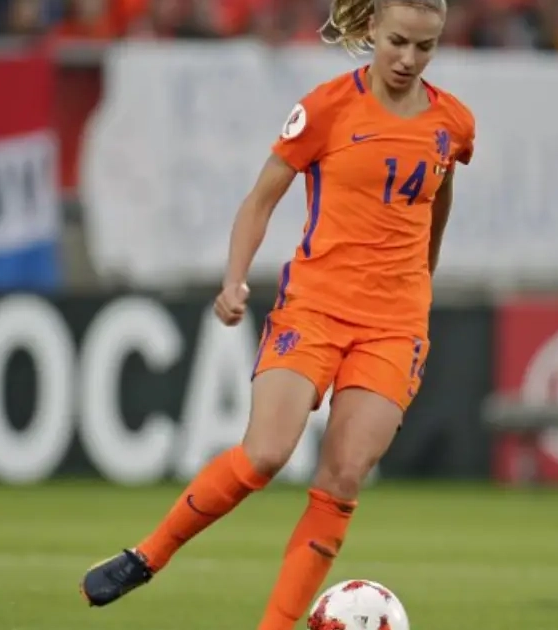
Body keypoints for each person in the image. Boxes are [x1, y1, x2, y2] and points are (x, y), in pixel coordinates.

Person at [80, 1, 475, 628]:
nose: (408, 59)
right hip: (315, 308)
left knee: (342, 478)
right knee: (265, 454)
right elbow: (260, 200)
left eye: (424, 47)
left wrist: (421, 284)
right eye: (398, 41)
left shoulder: (452, 122)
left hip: (395, 324)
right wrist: (234, 279)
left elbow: (437, 201)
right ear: (373, 28)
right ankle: (146, 556)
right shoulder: (326, 108)